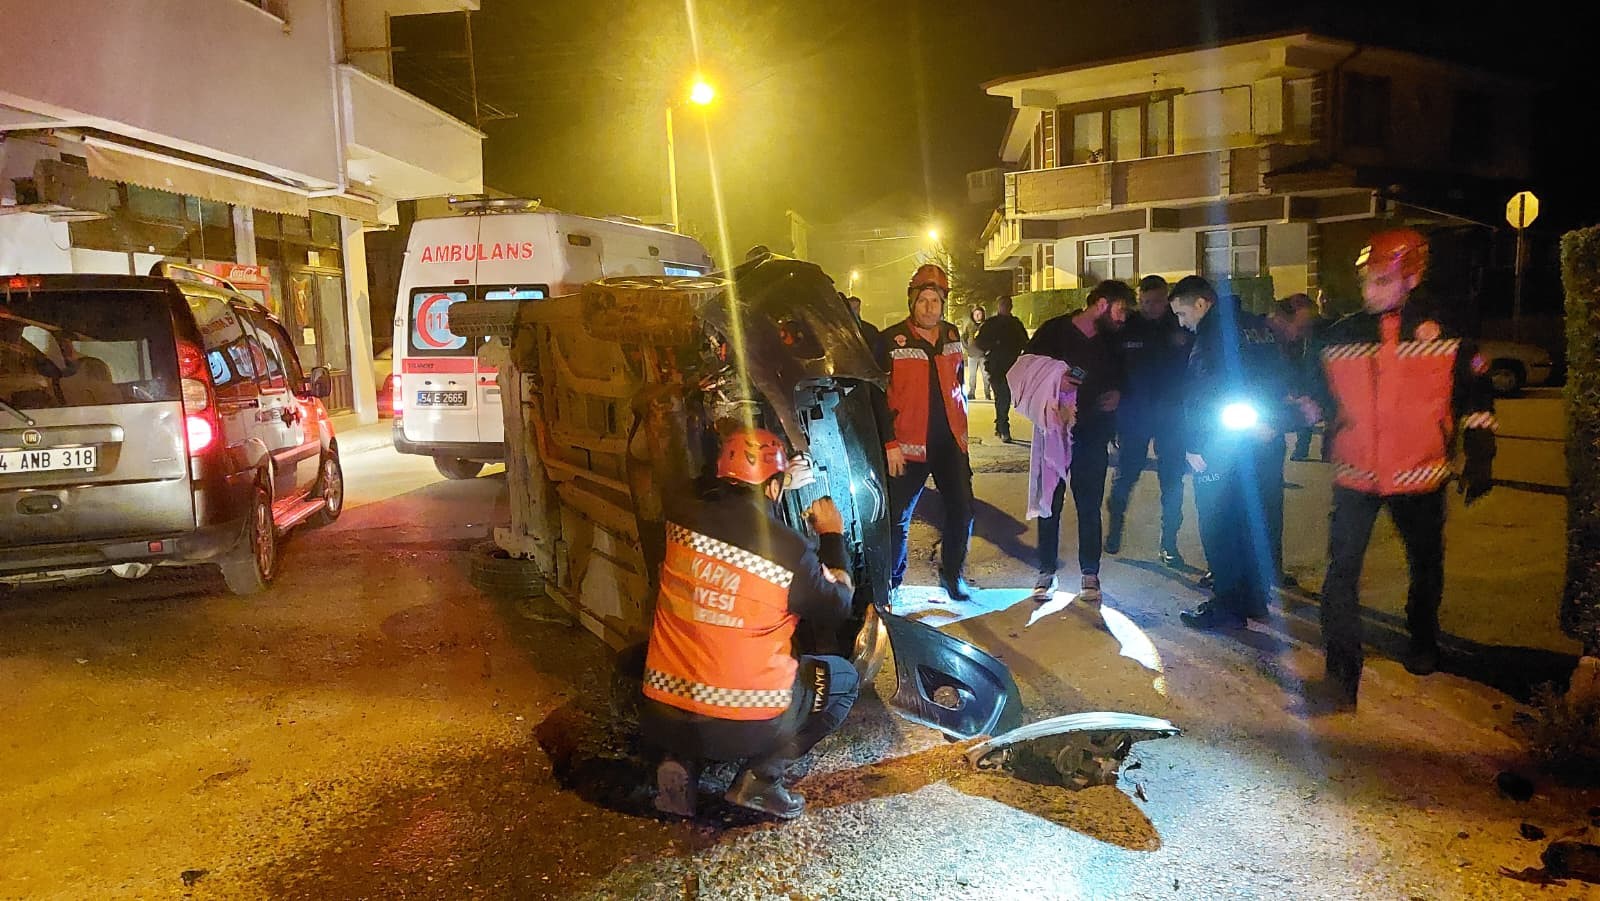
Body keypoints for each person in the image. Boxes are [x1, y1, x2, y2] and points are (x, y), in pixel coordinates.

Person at [1308, 228, 1496, 711]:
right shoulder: (1340, 333)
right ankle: (1340, 675)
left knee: (1426, 565)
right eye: (1366, 281)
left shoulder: (1448, 330)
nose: (1369, 291)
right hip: (1356, 476)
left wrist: (1480, 454)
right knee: (1340, 576)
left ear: (1411, 277)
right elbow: (1313, 393)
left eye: (1380, 280)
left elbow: (1475, 395)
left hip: (1420, 474)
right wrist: (1302, 412)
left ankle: (1423, 639)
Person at [641, 426, 861, 819]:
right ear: (775, 488)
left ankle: (677, 765)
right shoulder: (790, 551)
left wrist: (777, 480)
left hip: (663, 714)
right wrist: (831, 537)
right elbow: (839, 605)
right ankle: (759, 780)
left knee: (672, 653)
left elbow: (704, 488)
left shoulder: (680, 511)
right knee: (843, 680)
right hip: (743, 722)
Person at [1169, 276, 1308, 631]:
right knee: (1254, 520)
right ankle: (1254, 599)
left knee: (1219, 525)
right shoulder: (1256, 327)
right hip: (1263, 441)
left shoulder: (1214, 335)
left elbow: (1202, 392)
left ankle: (1228, 606)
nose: (1181, 322)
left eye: (1182, 313)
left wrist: (1196, 447)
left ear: (1201, 303)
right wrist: (1277, 422)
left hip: (1222, 445)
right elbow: (1283, 377)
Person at [1023, 279, 1131, 603]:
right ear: (1100, 304)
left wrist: (1119, 395)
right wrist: (1055, 380)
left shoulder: (1113, 341)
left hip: (1093, 432)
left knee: (1089, 505)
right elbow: (1025, 368)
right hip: (1053, 432)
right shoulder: (1054, 331)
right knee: (1049, 505)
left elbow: (1126, 376)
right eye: (1120, 310)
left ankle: (1090, 573)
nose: (1123, 318)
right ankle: (1046, 571)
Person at [879, 262, 976, 602]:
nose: (930, 307)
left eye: (935, 301)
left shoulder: (951, 335)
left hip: (949, 442)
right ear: (912, 303)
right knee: (896, 519)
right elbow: (877, 396)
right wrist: (889, 443)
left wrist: (961, 432)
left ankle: (952, 575)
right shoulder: (890, 340)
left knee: (962, 510)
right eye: (923, 301)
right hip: (907, 448)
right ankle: (892, 581)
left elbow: (957, 383)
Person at [1105, 275, 1193, 567]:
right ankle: (1115, 527)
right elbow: (1113, 368)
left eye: (1156, 301)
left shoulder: (1180, 324)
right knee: (1125, 476)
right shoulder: (1127, 327)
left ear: (1166, 299)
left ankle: (1169, 543)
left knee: (1172, 480)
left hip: (1172, 415)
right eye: (1144, 302)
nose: (1150, 307)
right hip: (1134, 413)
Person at [1267, 293, 1325, 462]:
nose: (1303, 333)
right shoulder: (1262, 339)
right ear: (1282, 318)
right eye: (1300, 327)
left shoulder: (1291, 341)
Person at [975, 294, 1030, 442]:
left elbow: (1025, 343)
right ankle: (1003, 426)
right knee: (1003, 396)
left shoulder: (1015, 324)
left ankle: (1000, 425)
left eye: (1007, 305)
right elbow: (979, 342)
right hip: (996, 367)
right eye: (1003, 305)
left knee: (1004, 397)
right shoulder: (991, 324)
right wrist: (992, 347)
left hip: (1011, 367)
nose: (1005, 308)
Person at [962, 305, 990, 401]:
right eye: (976, 314)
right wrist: (967, 348)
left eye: (980, 314)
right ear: (972, 315)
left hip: (983, 355)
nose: (978, 316)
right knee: (972, 376)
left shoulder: (986, 325)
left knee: (986, 375)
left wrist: (988, 350)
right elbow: (963, 337)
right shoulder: (969, 325)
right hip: (972, 355)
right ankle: (971, 393)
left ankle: (987, 394)